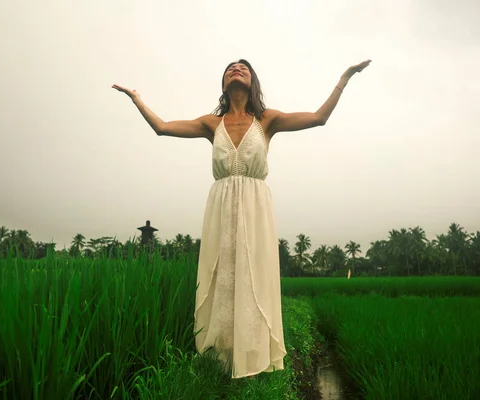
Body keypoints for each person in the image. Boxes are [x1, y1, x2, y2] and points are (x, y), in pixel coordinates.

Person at [112, 58, 371, 379]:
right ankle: (220, 356)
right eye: (231, 67)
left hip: (256, 206)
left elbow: (319, 118)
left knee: (253, 273)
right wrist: (137, 99)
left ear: (253, 81)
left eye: (243, 67)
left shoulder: (268, 119)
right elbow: (162, 128)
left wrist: (344, 78)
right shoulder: (211, 124)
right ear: (224, 83)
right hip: (220, 206)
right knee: (222, 273)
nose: (236, 69)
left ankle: (252, 353)